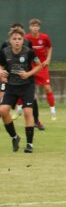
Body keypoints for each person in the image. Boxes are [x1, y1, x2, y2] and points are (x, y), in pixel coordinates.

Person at [0, 25, 44, 153]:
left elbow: (39, 65)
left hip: (27, 86)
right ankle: (15, 137)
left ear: (23, 39)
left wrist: (28, 74)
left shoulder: (29, 52)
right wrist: (1, 73)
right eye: (14, 39)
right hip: (11, 86)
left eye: (19, 38)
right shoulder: (4, 52)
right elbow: (1, 66)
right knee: (2, 110)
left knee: (27, 112)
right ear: (10, 40)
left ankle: (29, 144)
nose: (17, 41)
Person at [20, 18, 57, 122]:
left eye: (36, 26)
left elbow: (50, 47)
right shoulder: (26, 38)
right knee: (27, 89)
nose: (34, 28)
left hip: (42, 66)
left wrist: (48, 59)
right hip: (31, 67)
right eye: (33, 26)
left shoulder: (44, 37)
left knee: (47, 88)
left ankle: (53, 110)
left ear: (39, 27)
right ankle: (19, 109)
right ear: (29, 27)